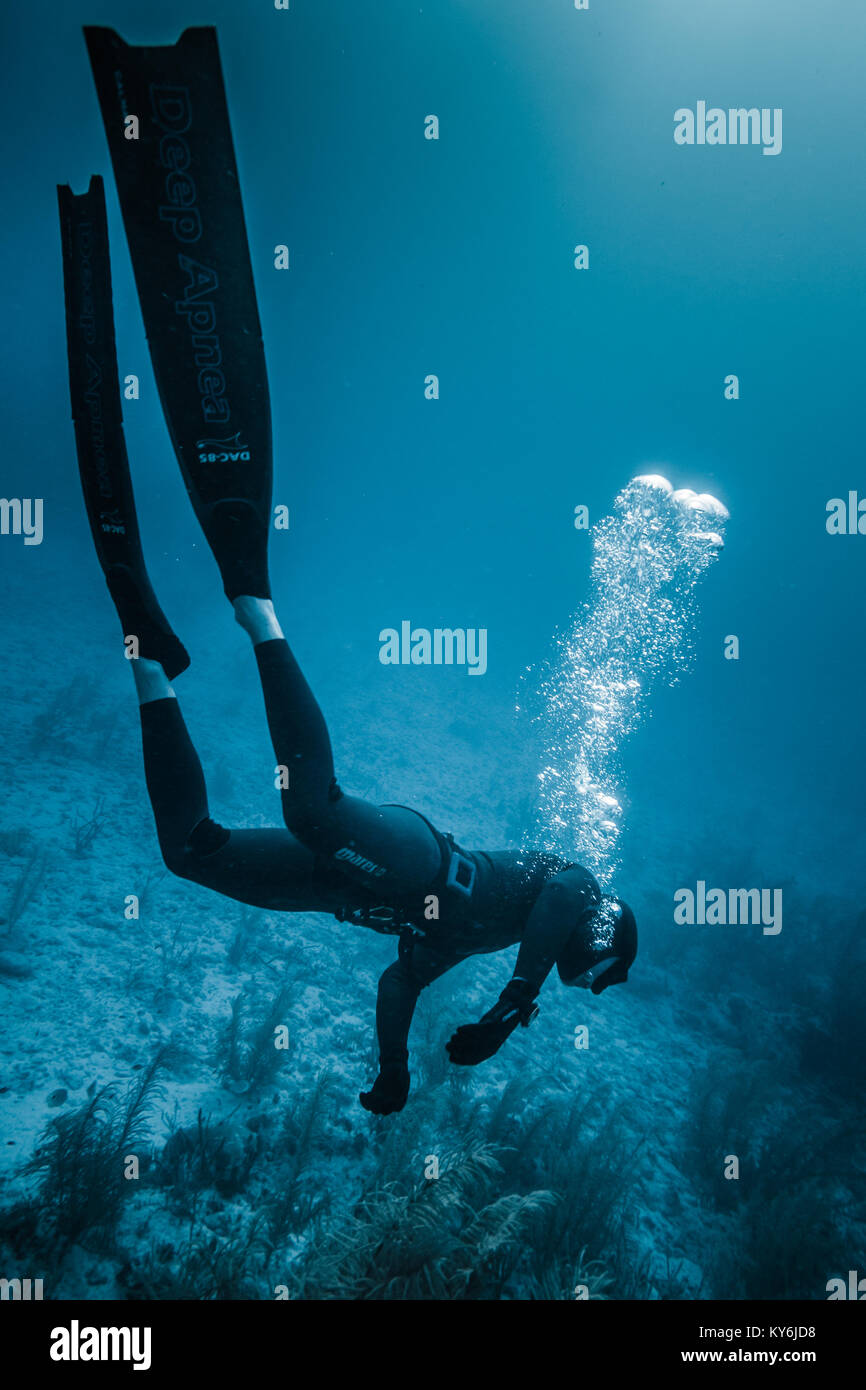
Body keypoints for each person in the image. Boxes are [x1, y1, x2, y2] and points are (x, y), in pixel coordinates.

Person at [59, 31, 637, 1118]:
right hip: (416, 856)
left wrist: (392, 1069)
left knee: (194, 853)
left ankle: (157, 671)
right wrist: (516, 1007)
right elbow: (565, 898)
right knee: (316, 806)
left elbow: (395, 983)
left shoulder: (467, 954)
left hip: (363, 901)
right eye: (587, 971)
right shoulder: (568, 892)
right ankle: (256, 610)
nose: (573, 976)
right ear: (600, 941)